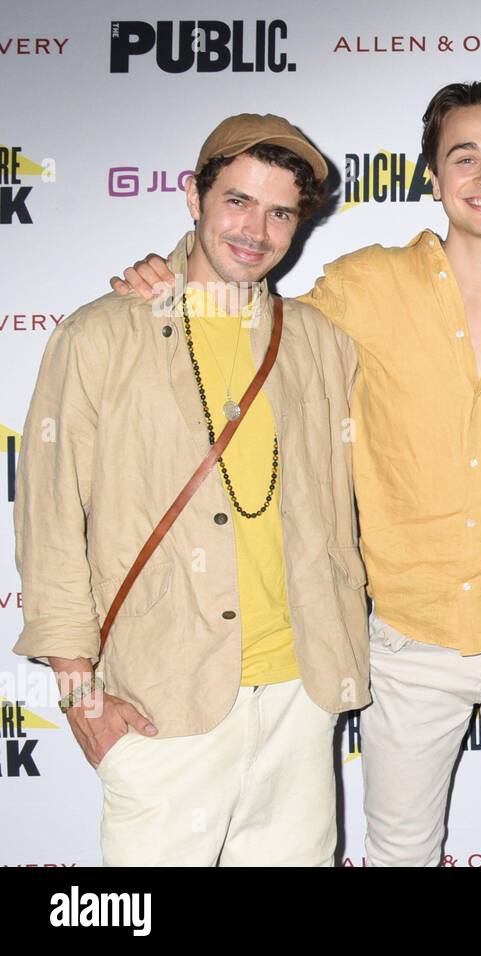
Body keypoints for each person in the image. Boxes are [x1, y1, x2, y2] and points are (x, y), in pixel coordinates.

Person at [112, 77, 481, 867]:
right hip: (404, 632)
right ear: (431, 177)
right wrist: (161, 271)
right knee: (397, 851)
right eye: (462, 156)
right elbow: (249, 318)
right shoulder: (362, 286)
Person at [14, 114, 367, 865]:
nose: (256, 229)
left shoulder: (319, 343)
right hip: (160, 703)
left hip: (300, 699)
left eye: (280, 211)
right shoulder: (102, 334)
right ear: (191, 196)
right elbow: (48, 522)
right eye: (237, 200)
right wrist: (80, 699)